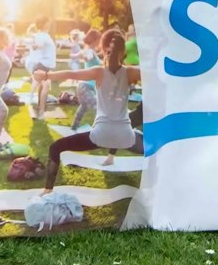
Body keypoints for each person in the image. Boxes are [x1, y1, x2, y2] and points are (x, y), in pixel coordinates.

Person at [34, 29, 141, 193]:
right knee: (161, 147)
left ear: (102, 47)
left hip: (99, 135)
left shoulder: (98, 72)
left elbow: (70, 73)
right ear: (123, 51)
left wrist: (46, 75)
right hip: (126, 136)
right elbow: (159, 74)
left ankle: (47, 191)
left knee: (55, 147)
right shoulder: (131, 72)